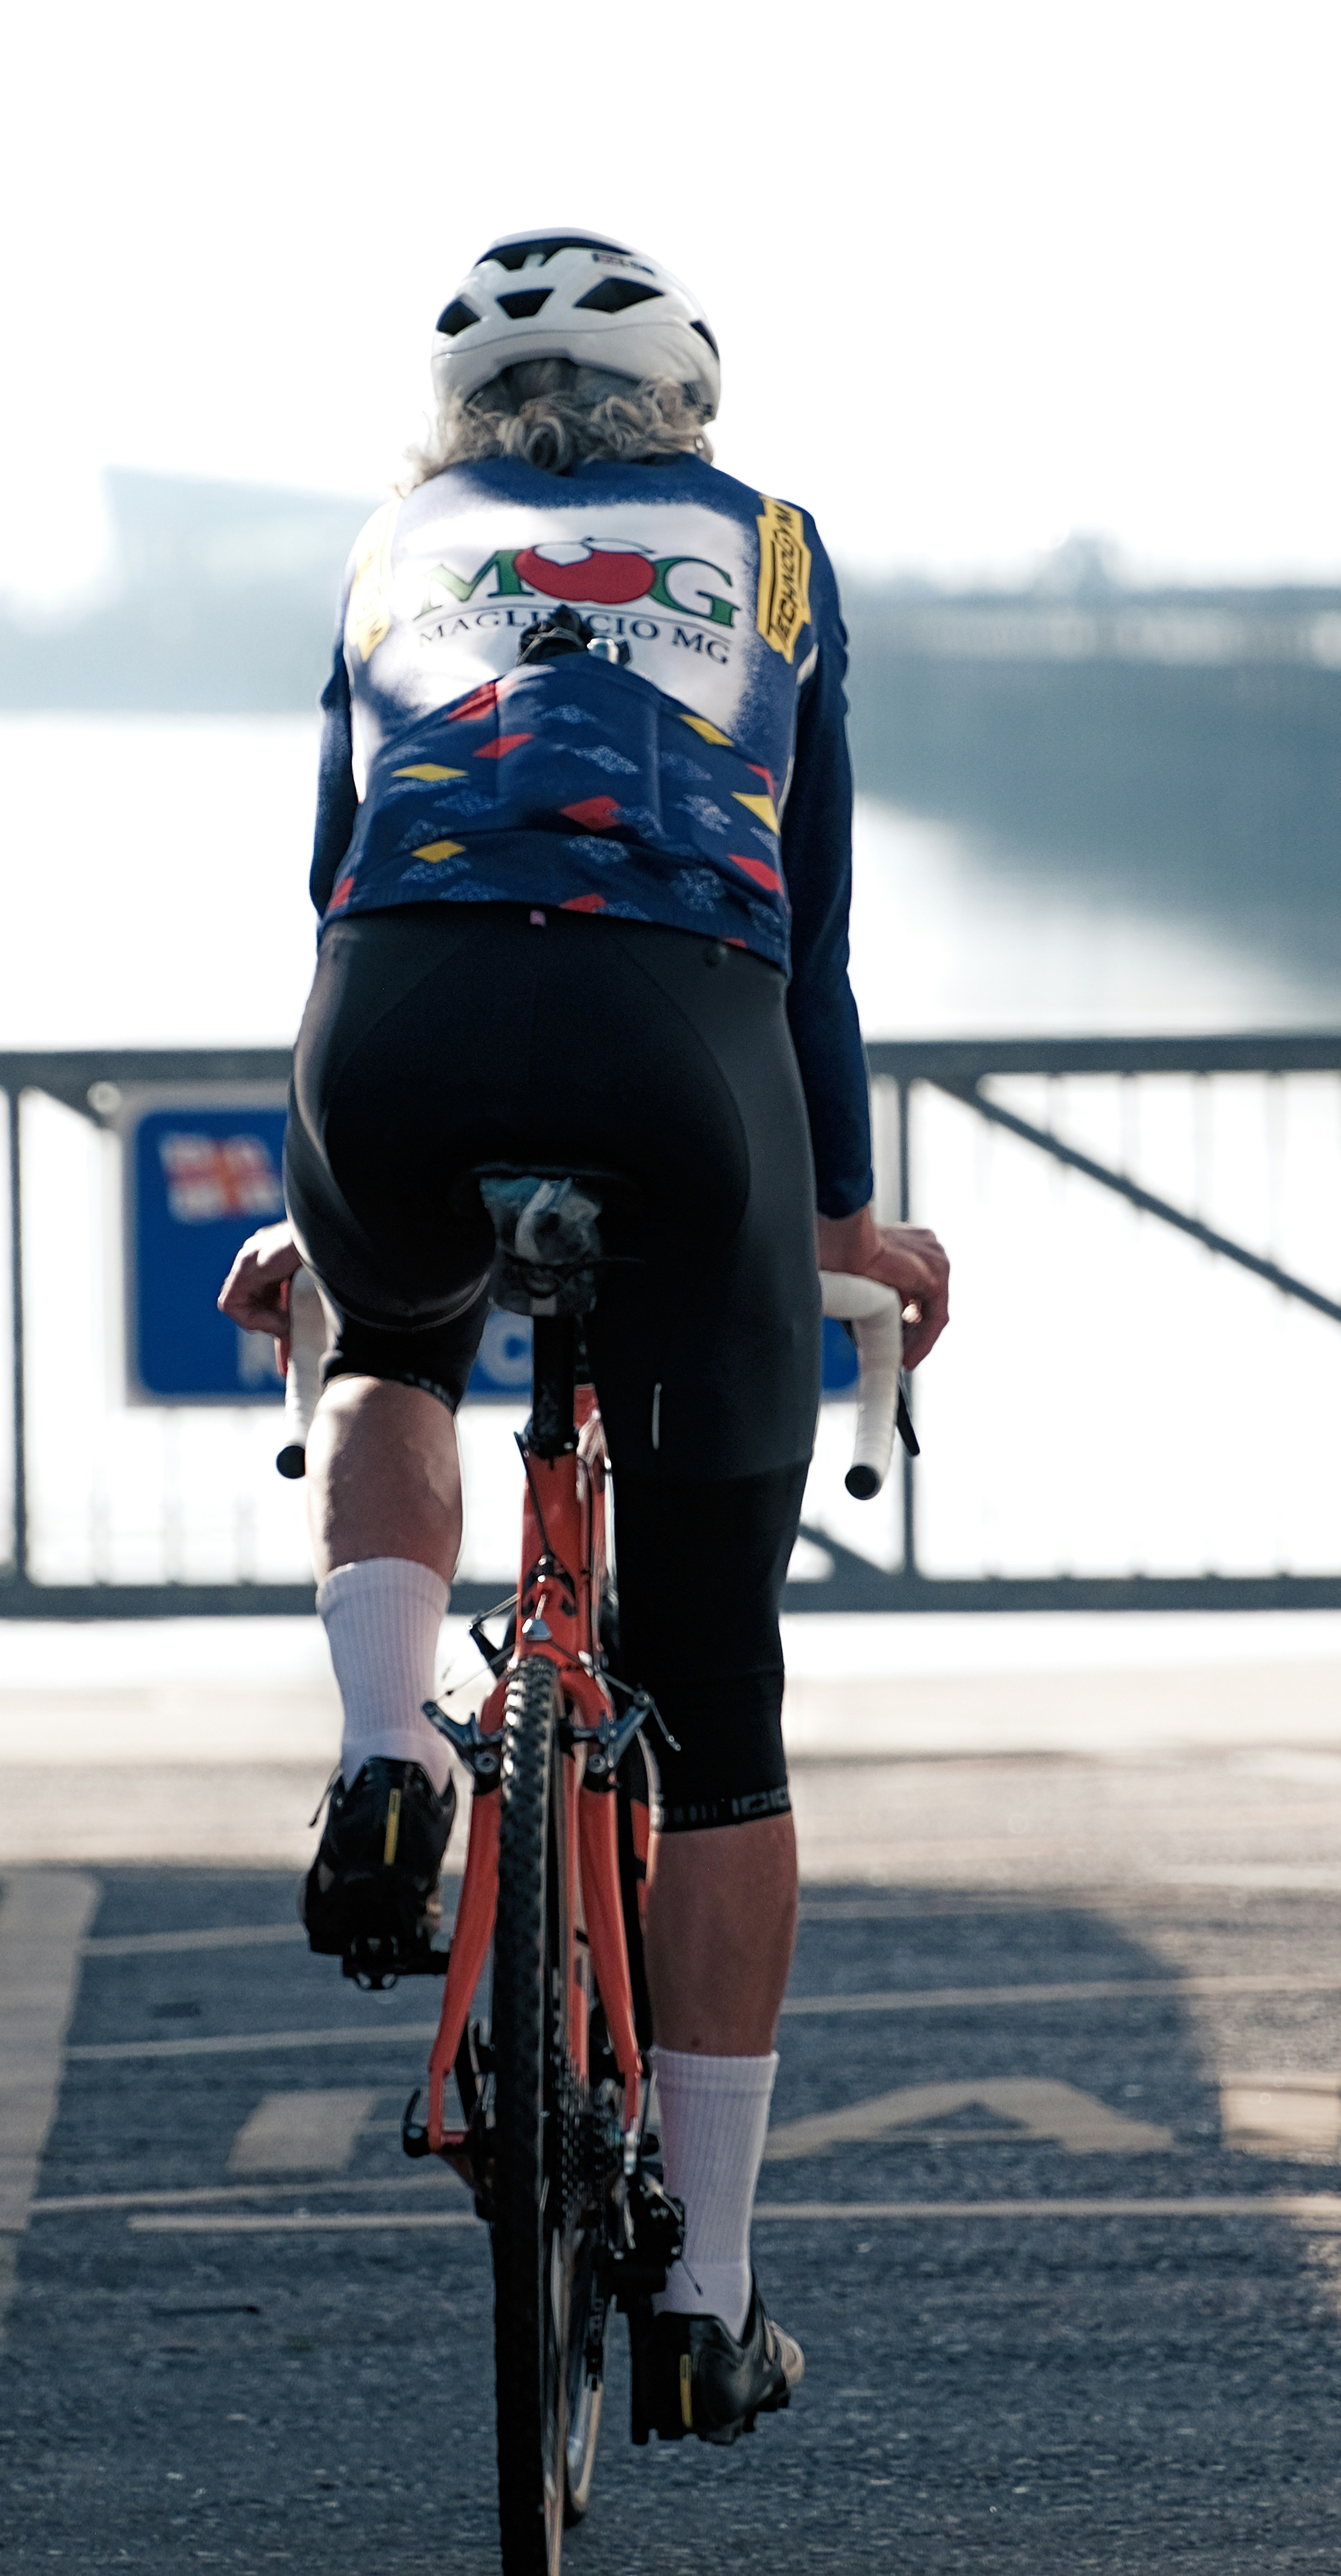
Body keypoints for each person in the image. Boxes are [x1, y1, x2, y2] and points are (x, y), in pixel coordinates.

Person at [220, 227, 949, 2443]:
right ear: (687, 408)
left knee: (391, 1353)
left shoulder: (383, 548)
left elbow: (344, 873)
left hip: (400, 1024)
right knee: (713, 1696)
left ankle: (384, 1743)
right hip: (677, 1036)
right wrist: (830, 1205)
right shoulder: (775, 553)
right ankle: (708, 2292)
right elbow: (804, 935)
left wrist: (319, 1212)